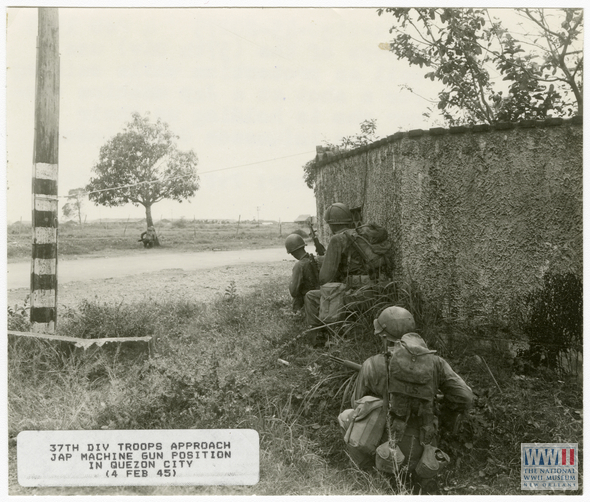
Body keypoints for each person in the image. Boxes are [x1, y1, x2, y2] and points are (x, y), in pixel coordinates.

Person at [338, 306, 473, 494]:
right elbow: (465, 397)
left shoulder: (372, 363)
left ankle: (366, 471)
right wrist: (440, 406)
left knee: (347, 415)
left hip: (386, 449)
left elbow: (357, 403)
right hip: (424, 450)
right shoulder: (437, 363)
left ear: (385, 337)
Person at [304, 202, 390, 329]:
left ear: (332, 225)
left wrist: (323, 262)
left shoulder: (338, 239)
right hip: (379, 289)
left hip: (356, 294)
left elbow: (324, 278)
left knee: (311, 296)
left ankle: (320, 338)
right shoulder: (359, 235)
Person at [285, 233, 322, 312]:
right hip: (321, 298)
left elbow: (293, 291)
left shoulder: (299, 265)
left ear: (292, 252)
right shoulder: (316, 259)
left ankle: (298, 315)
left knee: (297, 298)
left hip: (308, 303)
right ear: (303, 246)